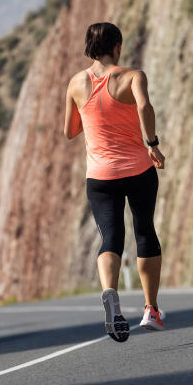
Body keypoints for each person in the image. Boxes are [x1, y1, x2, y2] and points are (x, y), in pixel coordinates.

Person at [63, 22, 166, 342]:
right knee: (145, 229)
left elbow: (69, 131)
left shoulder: (76, 83)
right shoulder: (133, 76)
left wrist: (94, 115)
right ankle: (151, 309)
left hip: (100, 176)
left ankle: (110, 291)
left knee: (111, 236)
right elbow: (145, 107)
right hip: (138, 169)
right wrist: (153, 143)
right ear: (117, 46)